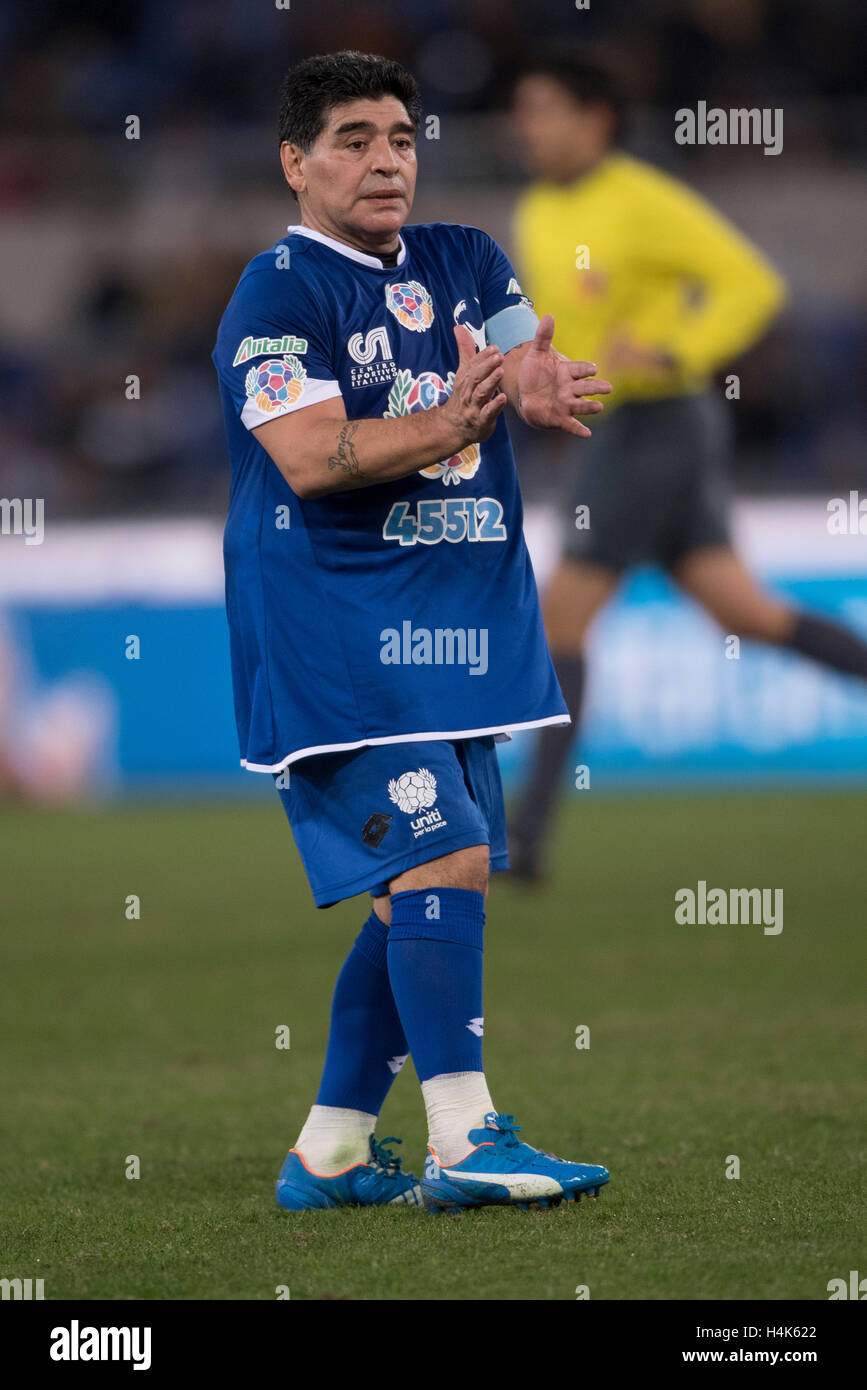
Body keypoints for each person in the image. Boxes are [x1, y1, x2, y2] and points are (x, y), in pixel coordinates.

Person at [212, 50, 612, 1212]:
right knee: (444, 859)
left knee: (420, 891)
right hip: (335, 630)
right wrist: (444, 419)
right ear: (295, 163)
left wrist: (534, 385)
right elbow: (305, 456)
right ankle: (466, 1138)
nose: (386, 158)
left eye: (400, 136)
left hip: (452, 629)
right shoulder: (277, 295)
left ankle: (330, 1152)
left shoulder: (462, 257)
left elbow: (516, 349)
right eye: (353, 139)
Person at [508, 57, 867, 880]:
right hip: (616, 428)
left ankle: (524, 839)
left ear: (596, 119)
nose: (527, 126)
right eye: (522, 111)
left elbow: (750, 282)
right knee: (747, 615)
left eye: (545, 110)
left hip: (654, 424)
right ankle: (523, 838)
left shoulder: (642, 199)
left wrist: (680, 350)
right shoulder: (534, 210)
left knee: (559, 620)